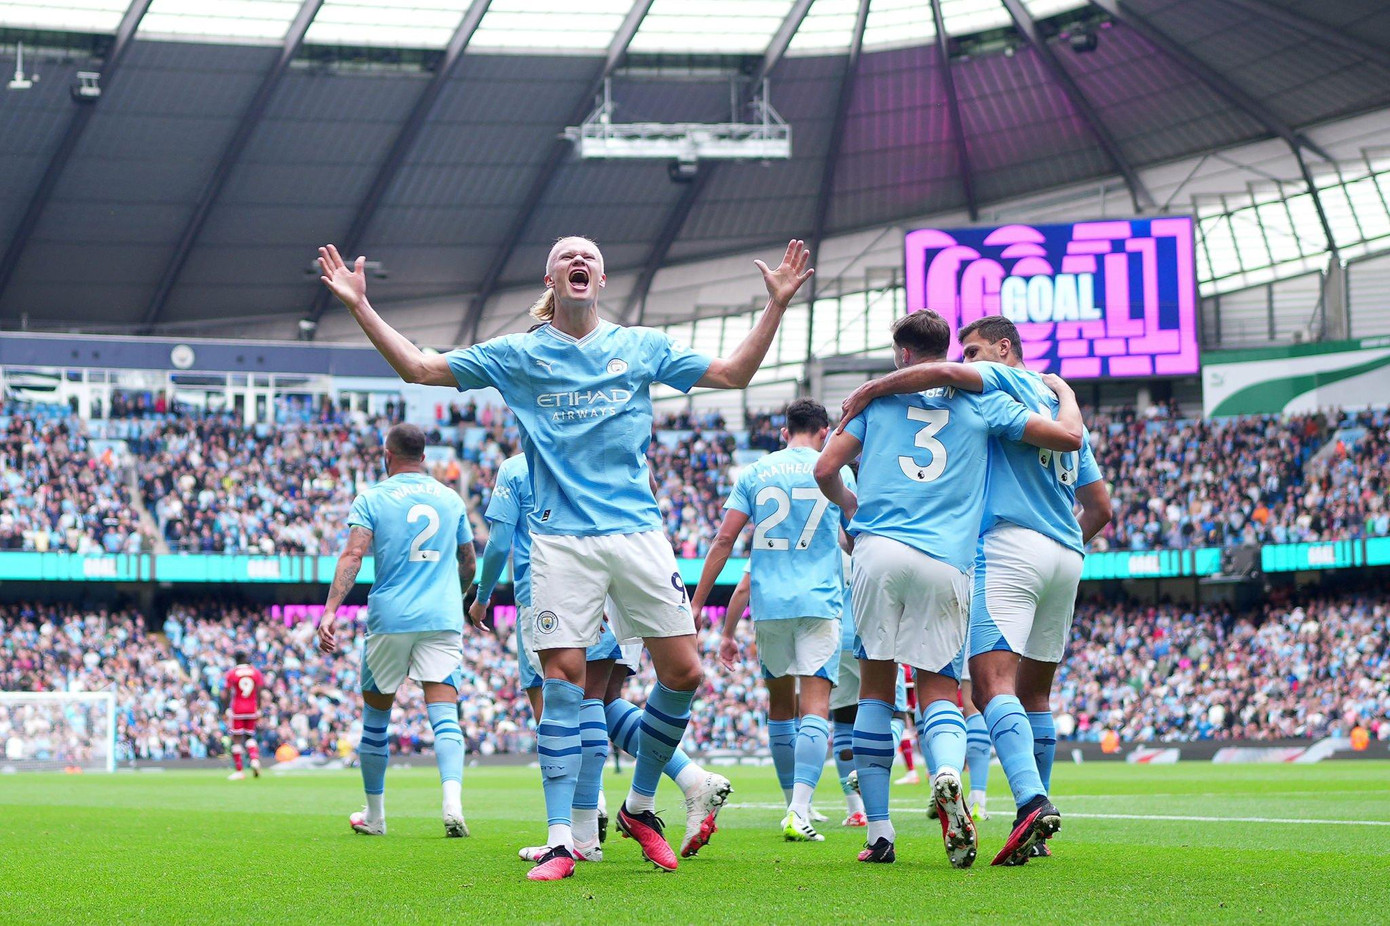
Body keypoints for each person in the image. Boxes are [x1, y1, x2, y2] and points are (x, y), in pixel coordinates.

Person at [318, 236, 812, 880]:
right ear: (551, 277)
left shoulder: (641, 346)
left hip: (637, 531)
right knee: (563, 681)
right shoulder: (520, 353)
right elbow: (420, 366)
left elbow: (733, 376)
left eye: (589, 257)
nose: (579, 262)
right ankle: (560, 841)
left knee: (684, 672)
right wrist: (360, 306)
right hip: (559, 541)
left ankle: (638, 805)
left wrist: (773, 308)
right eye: (566, 256)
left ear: (602, 278)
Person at [837, 314, 1112, 864]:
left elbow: (938, 377)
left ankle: (1031, 801)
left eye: (975, 349)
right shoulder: (1055, 396)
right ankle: (1034, 827)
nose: (965, 360)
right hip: (1066, 555)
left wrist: (873, 387)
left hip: (1008, 548)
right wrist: (1064, 540)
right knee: (1036, 696)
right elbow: (1102, 508)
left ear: (1005, 348)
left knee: (988, 687)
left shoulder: (996, 392)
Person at [472, 453, 731, 862]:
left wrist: (482, 596)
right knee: (599, 702)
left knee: (557, 707)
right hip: (619, 580)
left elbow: (500, 542)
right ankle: (680, 782)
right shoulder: (606, 454)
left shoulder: (519, 466)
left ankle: (577, 831)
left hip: (550, 592)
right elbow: (649, 491)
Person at [690, 398, 849, 842]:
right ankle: (800, 809)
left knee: (781, 706)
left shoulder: (755, 473)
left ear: (783, 433)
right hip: (818, 602)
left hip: (770, 603)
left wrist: (699, 603)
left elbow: (725, 539)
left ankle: (791, 802)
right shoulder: (836, 468)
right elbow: (853, 537)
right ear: (824, 433)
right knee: (816, 705)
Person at [316, 423, 477, 838]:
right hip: (441, 618)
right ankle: (453, 806)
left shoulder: (373, 497)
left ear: (387, 455)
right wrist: (453, 595)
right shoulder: (450, 498)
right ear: (424, 457)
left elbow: (354, 554)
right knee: (444, 717)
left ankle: (375, 816)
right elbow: (468, 562)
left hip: (391, 617)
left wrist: (331, 610)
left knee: (376, 719)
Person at [224, 653, 264, 780]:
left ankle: (239, 771)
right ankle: (254, 759)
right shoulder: (255, 672)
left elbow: (228, 692)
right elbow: (259, 691)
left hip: (238, 709)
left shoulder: (232, 673)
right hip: (252, 708)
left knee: (236, 739)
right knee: (250, 736)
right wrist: (259, 707)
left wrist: (226, 709)